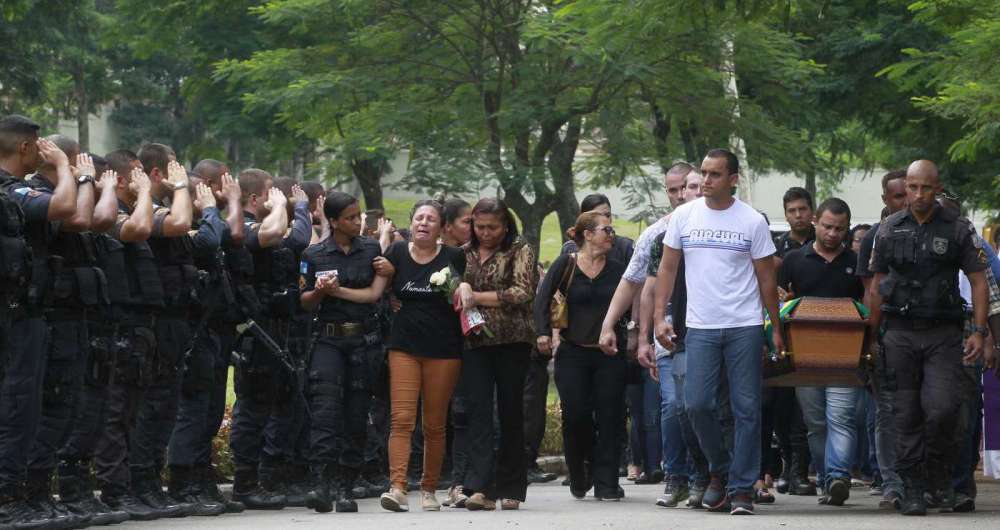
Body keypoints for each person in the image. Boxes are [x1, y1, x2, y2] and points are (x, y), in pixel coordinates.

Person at [652, 148, 782, 516]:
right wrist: (660, 317)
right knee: (696, 403)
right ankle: (719, 471)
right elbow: (667, 270)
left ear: (733, 179)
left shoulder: (752, 221)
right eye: (704, 173)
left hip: (744, 325)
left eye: (714, 175)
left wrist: (775, 328)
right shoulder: (684, 216)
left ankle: (741, 488)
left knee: (746, 409)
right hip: (700, 325)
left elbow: (766, 278)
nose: (706, 181)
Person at [867, 160, 989, 516]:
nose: (918, 195)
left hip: (943, 334)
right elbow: (875, 287)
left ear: (937, 189)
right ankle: (912, 488)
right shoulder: (888, 229)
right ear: (905, 188)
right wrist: (868, 340)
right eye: (913, 188)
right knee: (905, 416)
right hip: (900, 334)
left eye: (926, 188)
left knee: (943, 410)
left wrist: (980, 332)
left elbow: (979, 281)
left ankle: (937, 480)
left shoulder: (957, 228)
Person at [300, 191, 394, 513]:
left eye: (358, 216)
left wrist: (340, 291)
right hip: (328, 340)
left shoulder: (370, 249)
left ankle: (346, 485)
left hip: (362, 341)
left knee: (356, 412)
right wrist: (318, 292)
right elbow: (303, 300)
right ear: (335, 221)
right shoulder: (313, 255)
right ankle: (320, 484)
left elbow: (373, 296)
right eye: (351, 218)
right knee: (325, 411)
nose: (358, 222)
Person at [93, 150, 174, 521]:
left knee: (133, 411)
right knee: (114, 411)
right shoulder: (106, 211)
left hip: (141, 326)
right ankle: (113, 489)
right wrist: (146, 194)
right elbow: (138, 229)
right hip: (116, 324)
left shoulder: (136, 209)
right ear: (120, 179)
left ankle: (133, 486)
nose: (146, 181)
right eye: (138, 175)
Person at [379, 200, 466, 513]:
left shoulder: (454, 256)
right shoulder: (398, 253)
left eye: (431, 219)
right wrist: (390, 297)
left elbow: (464, 292)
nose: (424, 223)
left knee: (434, 424)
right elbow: (381, 282)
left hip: (444, 351)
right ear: (411, 222)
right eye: (419, 218)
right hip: (403, 347)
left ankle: (429, 489)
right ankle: (397, 486)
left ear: (442, 227)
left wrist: (462, 287)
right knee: (401, 419)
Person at [535, 211, 628, 502]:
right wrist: (541, 333)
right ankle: (580, 471)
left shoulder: (616, 268)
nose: (611, 235)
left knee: (611, 418)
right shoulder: (566, 264)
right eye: (606, 230)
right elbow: (542, 298)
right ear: (588, 235)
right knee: (576, 417)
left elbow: (632, 302)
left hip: (609, 355)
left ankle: (607, 482)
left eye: (611, 231)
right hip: (573, 353)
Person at [779, 198, 865, 506]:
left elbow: (867, 306)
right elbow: (778, 303)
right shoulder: (793, 260)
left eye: (840, 229)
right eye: (827, 226)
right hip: (804, 357)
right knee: (816, 423)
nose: (832, 234)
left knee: (841, 417)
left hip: (846, 357)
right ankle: (829, 480)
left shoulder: (857, 263)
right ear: (816, 221)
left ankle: (838, 476)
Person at [453, 198, 537, 511]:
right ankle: (480, 487)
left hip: (512, 341)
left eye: (493, 227)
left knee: (510, 411)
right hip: (474, 342)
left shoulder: (519, 249)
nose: (486, 233)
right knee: (477, 413)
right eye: (480, 226)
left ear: (505, 225)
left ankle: (512, 485)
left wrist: (476, 296)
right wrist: (458, 290)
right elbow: (452, 288)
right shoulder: (463, 253)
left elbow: (522, 292)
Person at [165, 162, 235, 516]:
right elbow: (209, 242)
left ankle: (198, 476)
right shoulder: (181, 226)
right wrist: (209, 208)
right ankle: (181, 482)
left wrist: (218, 207)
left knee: (207, 411)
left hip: (211, 326)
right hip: (189, 329)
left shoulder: (206, 222)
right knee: (192, 409)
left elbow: (228, 236)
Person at [227, 168, 300, 509]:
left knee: (271, 405)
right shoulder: (245, 225)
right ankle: (244, 483)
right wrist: (286, 205)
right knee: (253, 409)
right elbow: (273, 233)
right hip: (254, 332)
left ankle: (263, 479)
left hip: (272, 328)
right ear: (255, 199)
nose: (276, 198)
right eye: (270, 193)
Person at [855, 169, 908, 510]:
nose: (908, 200)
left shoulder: (940, 229)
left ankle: (919, 479)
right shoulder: (876, 237)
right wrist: (870, 340)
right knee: (884, 413)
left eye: (912, 192)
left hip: (925, 333)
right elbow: (868, 292)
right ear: (886, 200)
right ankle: (890, 483)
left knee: (923, 409)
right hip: (885, 334)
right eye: (900, 195)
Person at [766, 186, 815, 497]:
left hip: (814, 331)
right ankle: (786, 466)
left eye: (802, 209)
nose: (798, 215)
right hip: (781, 331)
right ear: (785, 214)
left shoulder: (822, 241)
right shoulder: (776, 246)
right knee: (780, 405)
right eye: (792, 211)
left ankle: (801, 472)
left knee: (804, 408)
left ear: (812, 210)